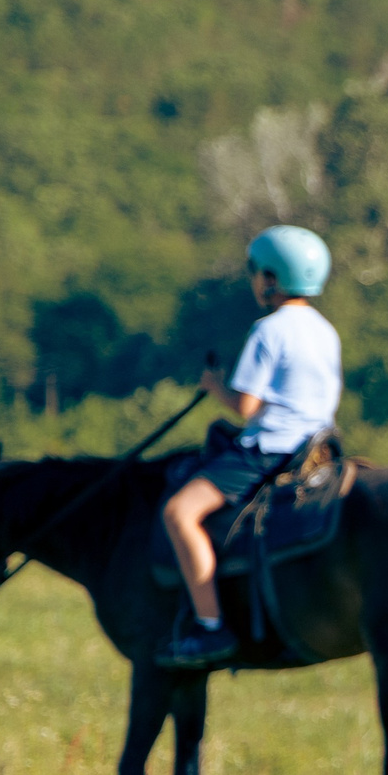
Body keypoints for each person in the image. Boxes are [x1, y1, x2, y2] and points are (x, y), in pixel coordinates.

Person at [158, 225, 343, 670]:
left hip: (269, 449)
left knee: (179, 512)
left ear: (272, 279)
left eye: (258, 273)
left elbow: (246, 405)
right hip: (319, 447)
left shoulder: (268, 330)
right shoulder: (325, 330)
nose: (256, 282)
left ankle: (209, 625)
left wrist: (213, 386)